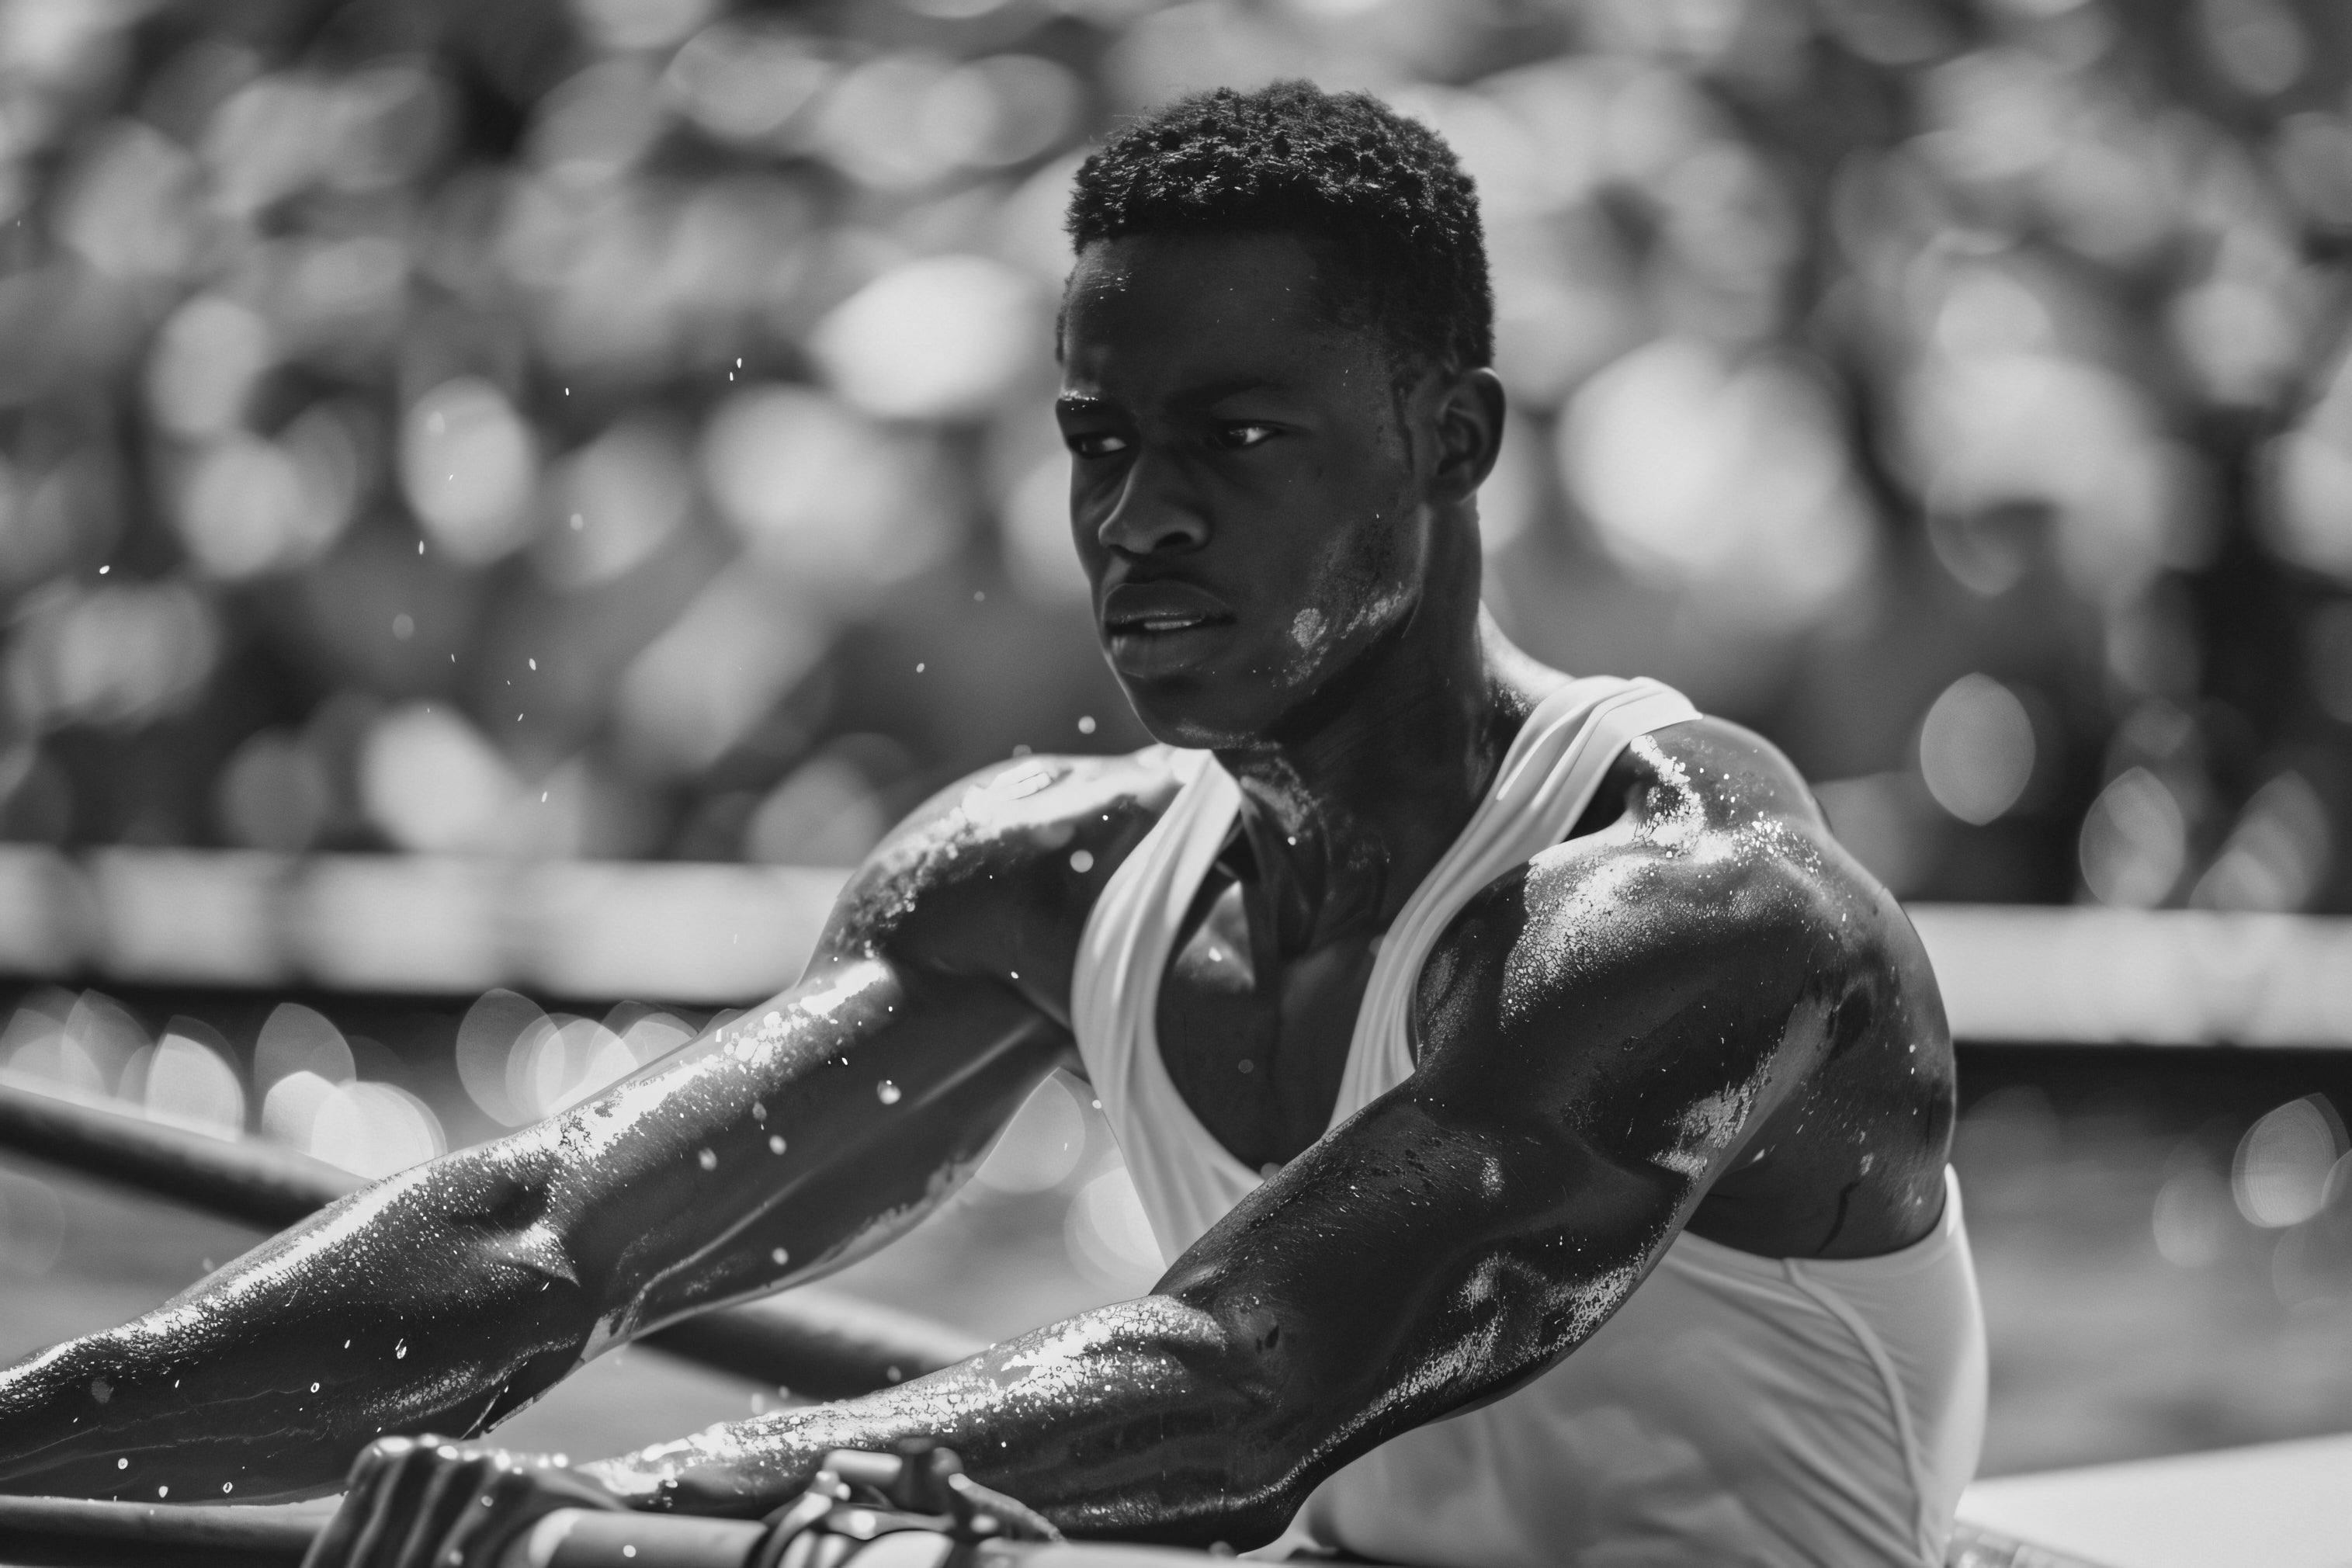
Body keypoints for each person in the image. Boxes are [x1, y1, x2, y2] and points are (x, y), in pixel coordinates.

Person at [0, 82, 1983, 1568]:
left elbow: (1241, 1380)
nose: (1138, 522)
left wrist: (617, 1501)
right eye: (1099, 446)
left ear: (1450, 440)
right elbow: (539, 1238)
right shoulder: (1050, 878)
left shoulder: (1701, 914)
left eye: (1238, 440)